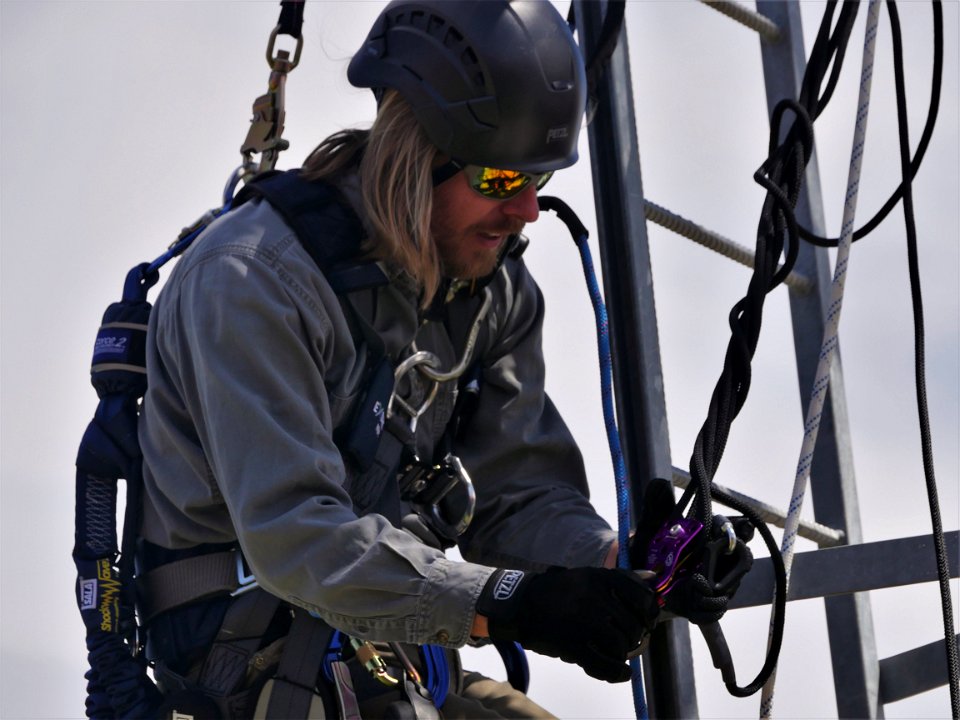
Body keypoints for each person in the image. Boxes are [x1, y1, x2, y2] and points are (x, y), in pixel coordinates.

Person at [135, 2, 745, 718]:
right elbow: (297, 536)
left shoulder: (494, 293)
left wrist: (618, 562)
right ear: (412, 151)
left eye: (538, 182)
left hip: (398, 663)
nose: (526, 214)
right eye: (497, 180)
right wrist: (512, 603)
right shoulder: (252, 282)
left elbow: (517, 496)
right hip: (255, 671)